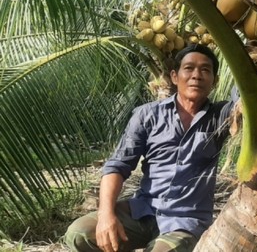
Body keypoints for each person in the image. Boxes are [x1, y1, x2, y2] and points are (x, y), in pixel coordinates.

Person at [65, 44, 239, 252]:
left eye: (205, 70)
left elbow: (246, 96)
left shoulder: (220, 116)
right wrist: (105, 215)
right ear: (174, 77)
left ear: (215, 81)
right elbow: (118, 166)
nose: (196, 75)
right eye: (189, 68)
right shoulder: (147, 115)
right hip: (144, 211)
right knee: (80, 233)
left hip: (185, 223)